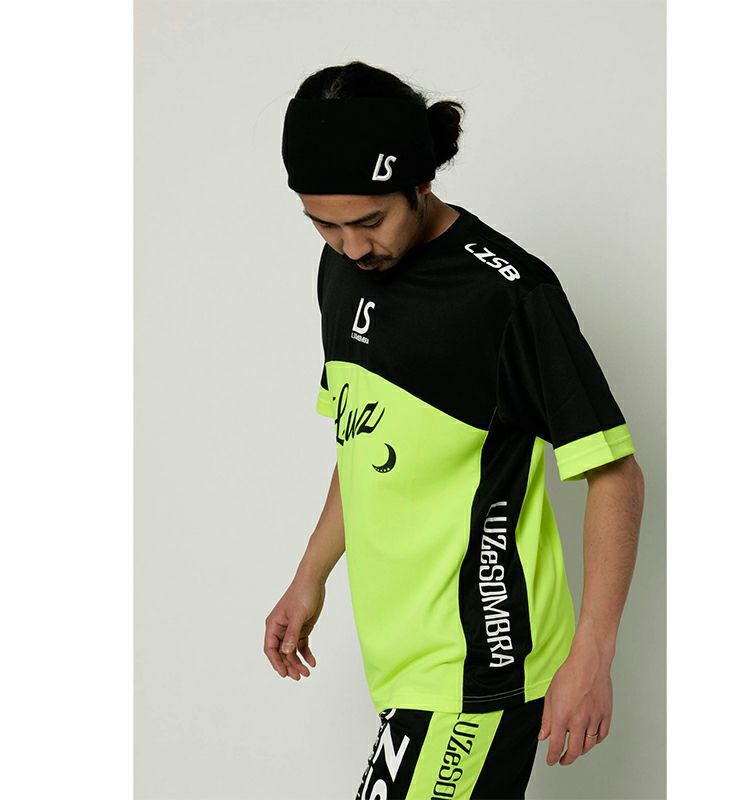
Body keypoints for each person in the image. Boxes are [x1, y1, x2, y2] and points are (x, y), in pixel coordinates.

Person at [264, 61, 645, 799]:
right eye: (324, 224)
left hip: (478, 665)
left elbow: (614, 474)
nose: (351, 247)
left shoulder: (507, 295)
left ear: (420, 181)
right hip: (402, 663)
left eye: (369, 221)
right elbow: (366, 443)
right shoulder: (340, 271)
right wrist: (309, 577)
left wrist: (592, 657)